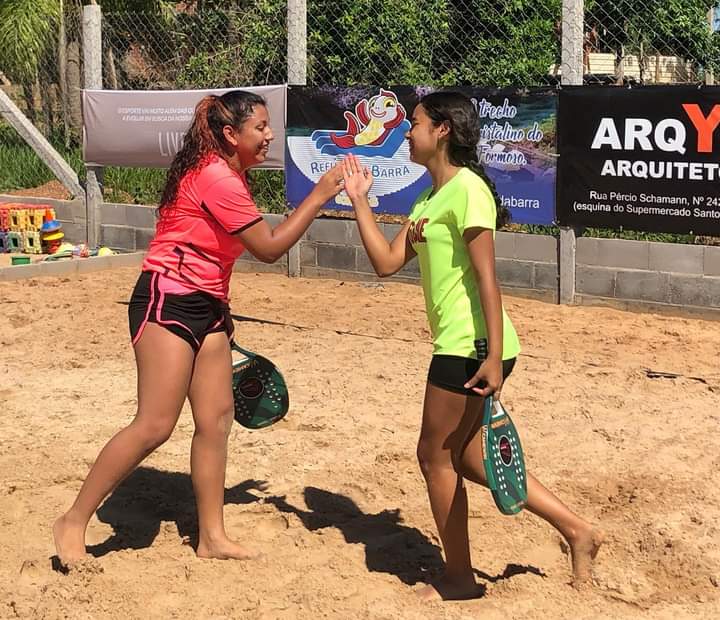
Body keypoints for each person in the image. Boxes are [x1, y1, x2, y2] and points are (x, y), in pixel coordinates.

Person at [53, 90, 344, 565]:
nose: (270, 135)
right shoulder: (216, 177)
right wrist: (320, 194)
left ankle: (211, 536)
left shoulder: (227, 174)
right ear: (232, 135)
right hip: (168, 299)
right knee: (155, 424)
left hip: (207, 306)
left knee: (215, 420)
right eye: (261, 128)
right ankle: (72, 521)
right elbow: (269, 249)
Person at [341, 91, 603, 600]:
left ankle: (460, 580)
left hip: (472, 343)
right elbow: (386, 263)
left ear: (441, 130)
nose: (406, 132)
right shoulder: (427, 198)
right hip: (468, 342)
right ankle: (578, 531)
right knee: (468, 459)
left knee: (433, 457)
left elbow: (489, 280)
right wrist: (358, 201)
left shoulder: (468, 191)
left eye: (413, 123)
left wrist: (493, 357)